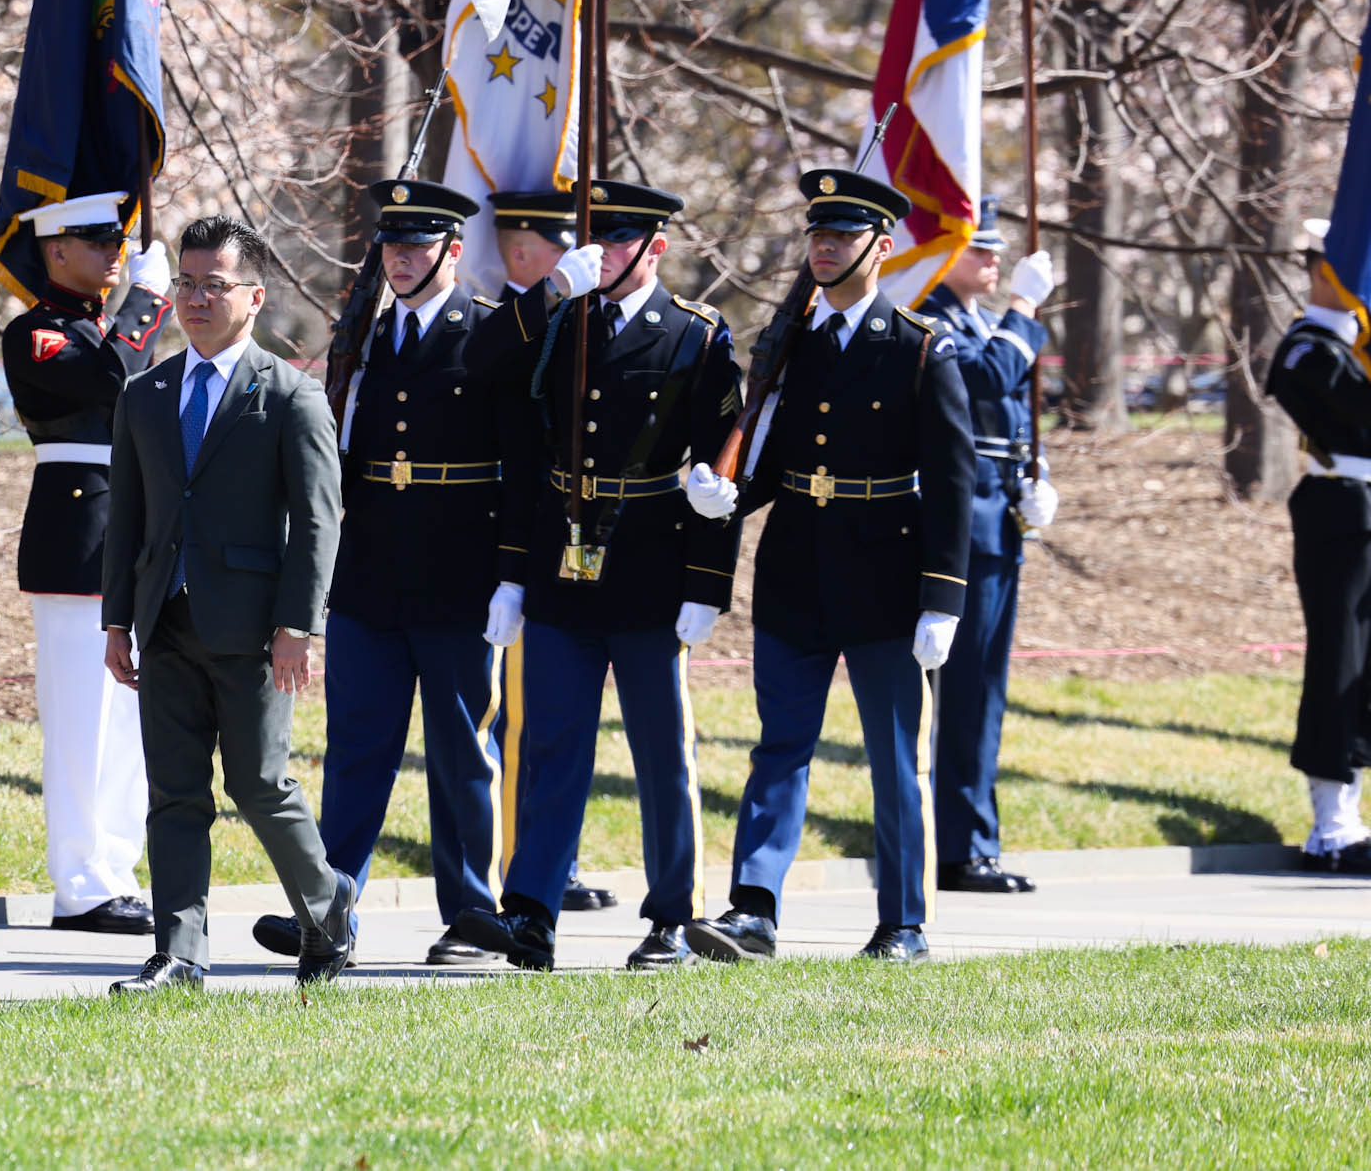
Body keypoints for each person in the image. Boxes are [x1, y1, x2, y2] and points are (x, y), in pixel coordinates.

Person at [454, 181, 744, 973]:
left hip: (652, 563)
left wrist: (707, 585)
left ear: (655, 249)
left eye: (616, 243)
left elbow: (724, 467)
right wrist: (511, 577)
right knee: (548, 746)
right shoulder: (559, 319)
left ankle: (671, 918)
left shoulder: (696, 337)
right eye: (593, 241)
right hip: (560, 562)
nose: (598, 255)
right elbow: (483, 371)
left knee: (661, 754)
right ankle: (532, 912)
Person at [689, 169, 975, 966]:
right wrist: (729, 496)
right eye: (816, 236)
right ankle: (754, 909)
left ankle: (904, 922)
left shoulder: (921, 349)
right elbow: (774, 461)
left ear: (882, 249)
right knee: (779, 746)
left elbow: (954, 482)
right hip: (796, 570)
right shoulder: (795, 345)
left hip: (886, 575)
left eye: (842, 238)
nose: (823, 249)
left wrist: (943, 598)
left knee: (892, 758)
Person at [247, 179, 516, 969]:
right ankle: (329, 915)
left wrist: (514, 576)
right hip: (368, 571)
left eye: (420, 245)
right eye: (392, 245)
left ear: (454, 253)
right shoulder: (360, 333)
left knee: (462, 751)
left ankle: (471, 911)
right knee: (357, 749)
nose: (402, 258)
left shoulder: (491, 334)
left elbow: (524, 466)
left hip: (460, 573)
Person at [101, 215, 356, 993]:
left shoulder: (290, 396)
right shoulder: (144, 394)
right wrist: (117, 619)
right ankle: (179, 953)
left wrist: (298, 627)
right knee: (174, 792)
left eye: (216, 284)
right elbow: (130, 517)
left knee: (259, 784)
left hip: (253, 629)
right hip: (165, 621)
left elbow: (319, 520)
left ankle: (327, 905)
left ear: (255, 295)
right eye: (188, 283)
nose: (199, 298)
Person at [0, 193, 171, 936]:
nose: (114, 255)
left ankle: (116, 870)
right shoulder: (35, 334)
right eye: (97, 243)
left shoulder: (103, 328)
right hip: (78, 542)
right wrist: (148, 303)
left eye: (117, 243)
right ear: (55, 250)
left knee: (129, 722)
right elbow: (111, 377)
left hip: (135, 537)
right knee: (79, 721)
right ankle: (78, 881)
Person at [488, 187, 619, 918]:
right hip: (505, 543)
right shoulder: (511, 317)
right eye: (564, 248)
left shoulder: (581, 314)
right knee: (513, 722)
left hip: (567, 540)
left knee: (549, 724)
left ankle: (546, 866)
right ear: (521, 252)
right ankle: (518, 868)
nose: (582, 260)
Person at [924, 199, 1059, 894]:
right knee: (967, 694)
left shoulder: (979, 322)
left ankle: (973, 838)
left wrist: (1039, 481)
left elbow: (1007, 418)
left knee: (986, 694)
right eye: (979, 249)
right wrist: (1024, 311)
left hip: (998, 525)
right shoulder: (935, 320)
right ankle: (960, 847)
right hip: (960, 534)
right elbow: (983, 381)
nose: (994, 260)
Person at [1263, 222, 1371, 872]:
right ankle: (1332, 823)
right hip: (1341, 508)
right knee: (1339, 659)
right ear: (1326, 273)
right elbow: (1352, 413)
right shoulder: (1307, 349)